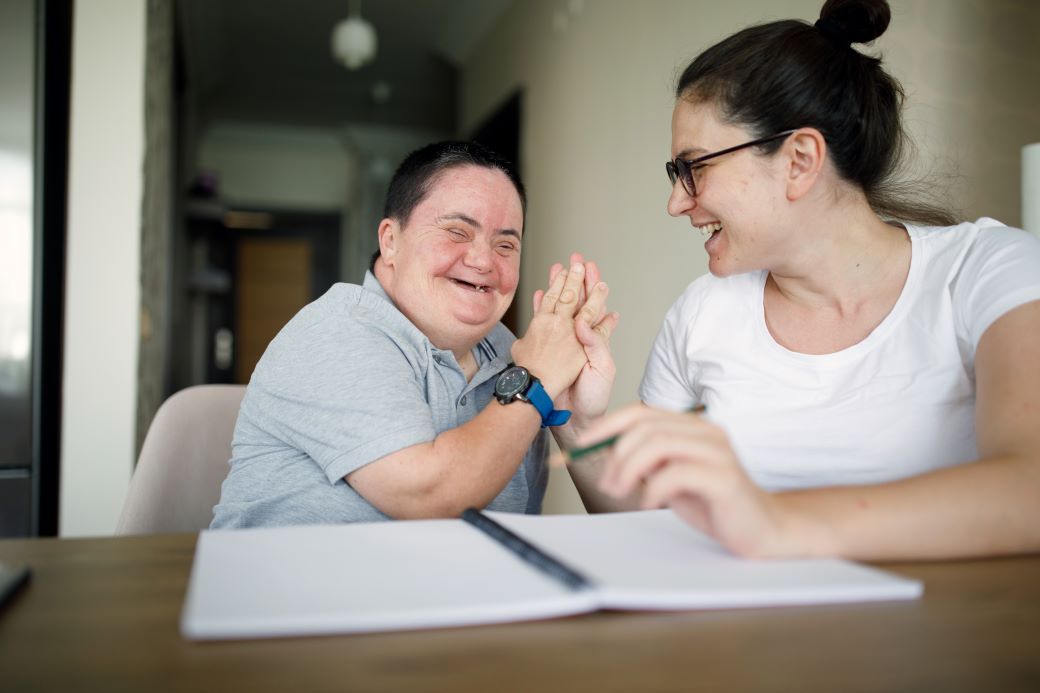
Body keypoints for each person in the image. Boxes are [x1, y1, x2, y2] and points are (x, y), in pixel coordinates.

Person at [568, 0, 1040, 560]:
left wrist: (775, 523)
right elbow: (648, 523)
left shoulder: (990, 270)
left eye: (694, 168)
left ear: (799, 160)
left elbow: (1027, 490)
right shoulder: (701, 313)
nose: (676, 203)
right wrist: (575, 418)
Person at [212, 141, 617, 527]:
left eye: (506, 245)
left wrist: (572, 420)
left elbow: (613, 526)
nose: (482, 261)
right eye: (457, 232)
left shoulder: (517, 357)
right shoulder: (338, 331)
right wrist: (535, 382)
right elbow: (431, 497)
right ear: (390, 241)